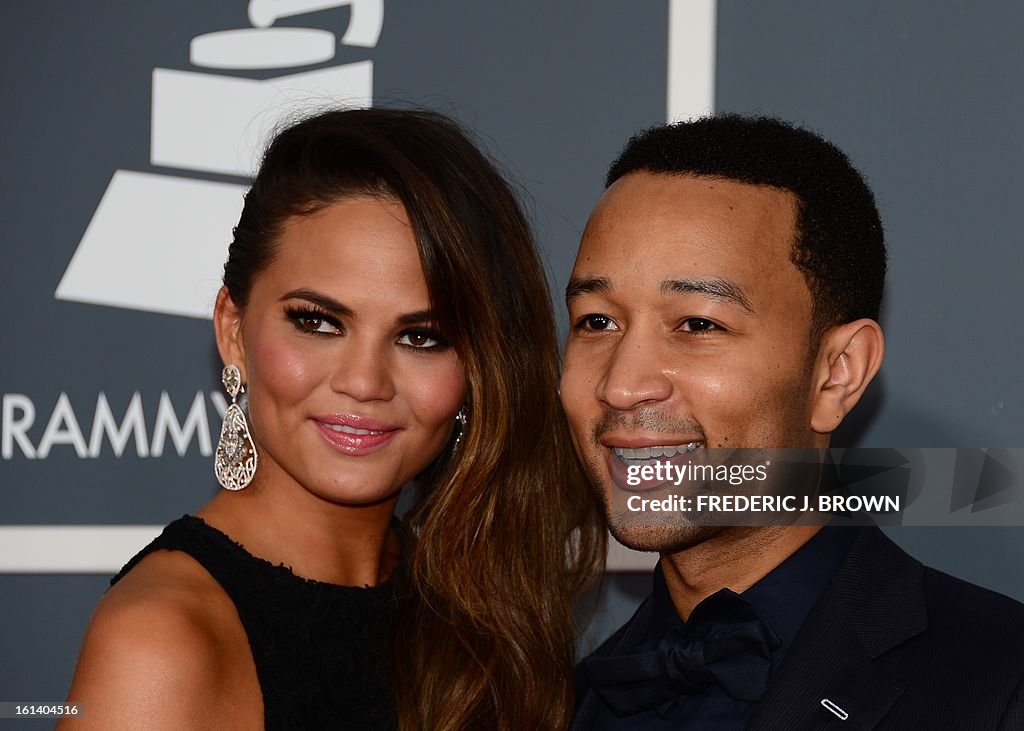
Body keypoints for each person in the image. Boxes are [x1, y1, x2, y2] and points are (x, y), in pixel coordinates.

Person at [62, 108, 605, 730]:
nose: (364, 382)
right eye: (318, 322)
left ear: (478, 369)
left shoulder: (477, 612)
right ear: (234, 332)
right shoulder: (160, 640)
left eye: (422, 337)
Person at [561, 115, 1024, 729]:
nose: (620, 384)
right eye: (596, 321)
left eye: (698, 324)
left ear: (837, 373)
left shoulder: (1000, 682)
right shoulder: (553, 702)